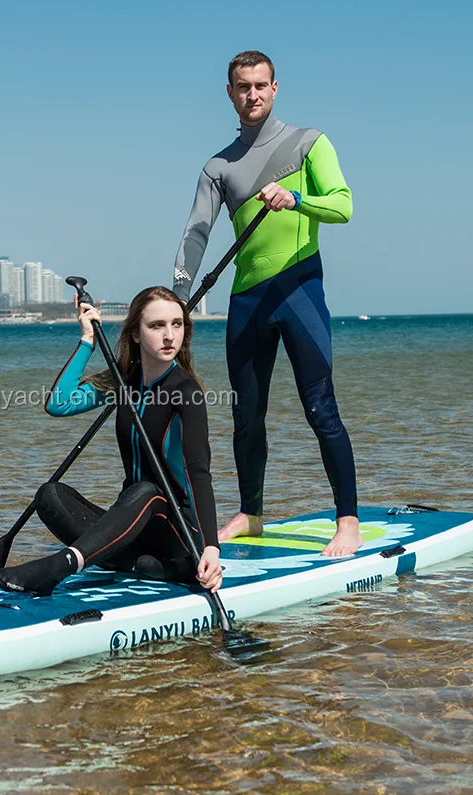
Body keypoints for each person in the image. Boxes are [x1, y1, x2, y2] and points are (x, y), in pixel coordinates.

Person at [172, 50, 362, 557]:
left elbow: (342, 205)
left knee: (320, 408)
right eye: (242, 87)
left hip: (299, 291)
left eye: (260, 85)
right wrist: (179, 299)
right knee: (246, 415)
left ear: (275, 88)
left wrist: (297, 199)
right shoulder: (218, 167)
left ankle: (348, 521)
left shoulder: (308, 144)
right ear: (230, 93)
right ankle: (250, 514)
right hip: (247, 298)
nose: (252, 95)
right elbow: (196, 233)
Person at [0, 286, 223, 596]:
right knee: (49, 496)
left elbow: (198, 470)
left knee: (147, 492)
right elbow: (59, 404)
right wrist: (87, 339)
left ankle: (62, 566)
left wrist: (211, 547)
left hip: (178, 529)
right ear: (136, 334)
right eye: (157, 326)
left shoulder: (186, 391)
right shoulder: (124, 380)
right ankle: (146, 567)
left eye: (176, 324)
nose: (170, 336)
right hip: (134, 526)